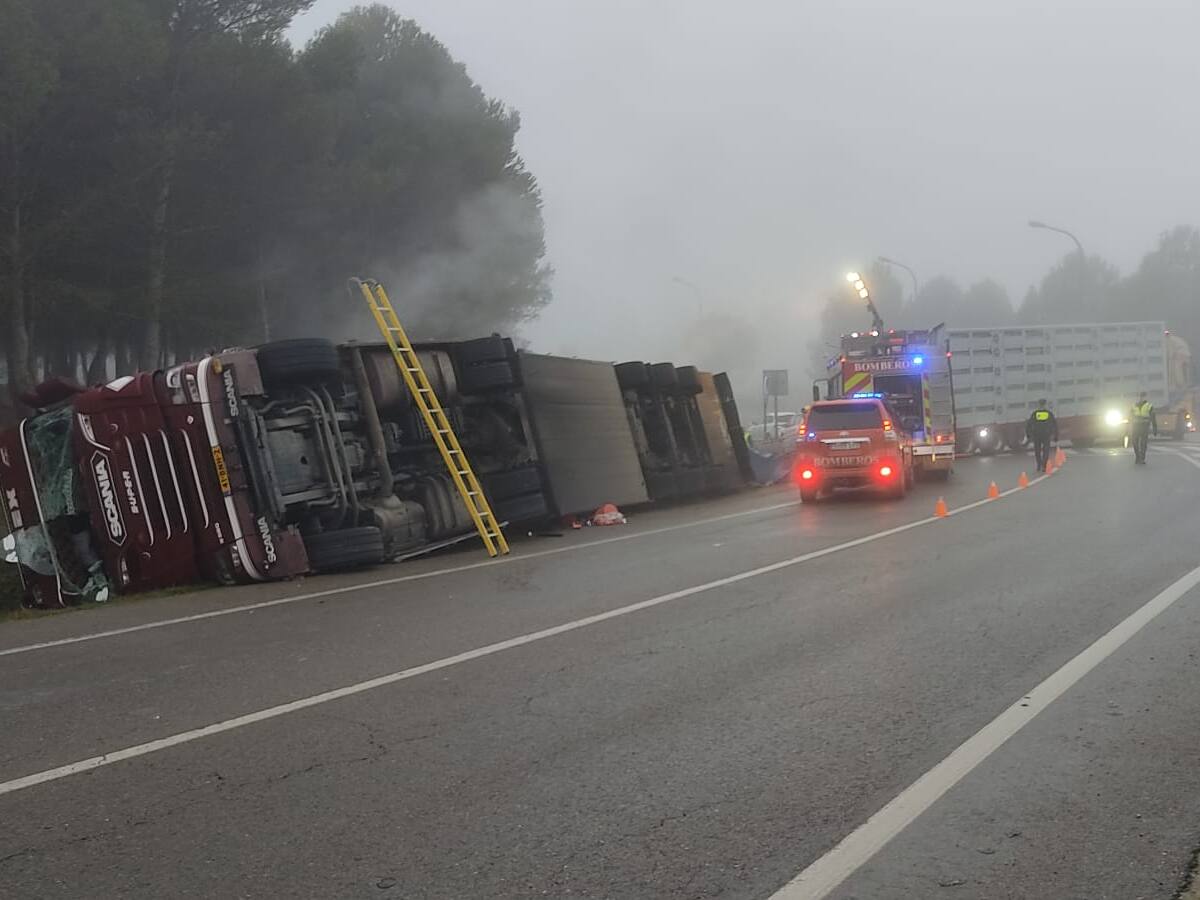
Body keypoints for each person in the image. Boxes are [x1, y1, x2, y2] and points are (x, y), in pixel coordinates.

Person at [1026, 399, 1058, 473]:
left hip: (1036, 435)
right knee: (1046, 450)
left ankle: (1039, 465)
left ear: (1039, 405)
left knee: (1037, 450)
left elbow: (1029, 424)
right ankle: (1044, 465)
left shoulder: (1035, 413)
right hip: (1046, 434)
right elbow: (1054, 424)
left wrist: (1028, 434)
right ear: (1045, 404)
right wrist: (1056, 435)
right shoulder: (1049, 413)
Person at [1130, 392, 1157, 464]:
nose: (1141, 398)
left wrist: (1155, 428)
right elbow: (1129, 418)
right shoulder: (1133, 406)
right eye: (1140, 396)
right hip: (1135, 427)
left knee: (1143, 443)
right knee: (1134, 442)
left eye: (1143, 396)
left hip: (1144, 427)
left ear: (1146, 397)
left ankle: (1142, 458)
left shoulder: (1149, 406)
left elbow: (1153, 418)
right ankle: (1137, 457)